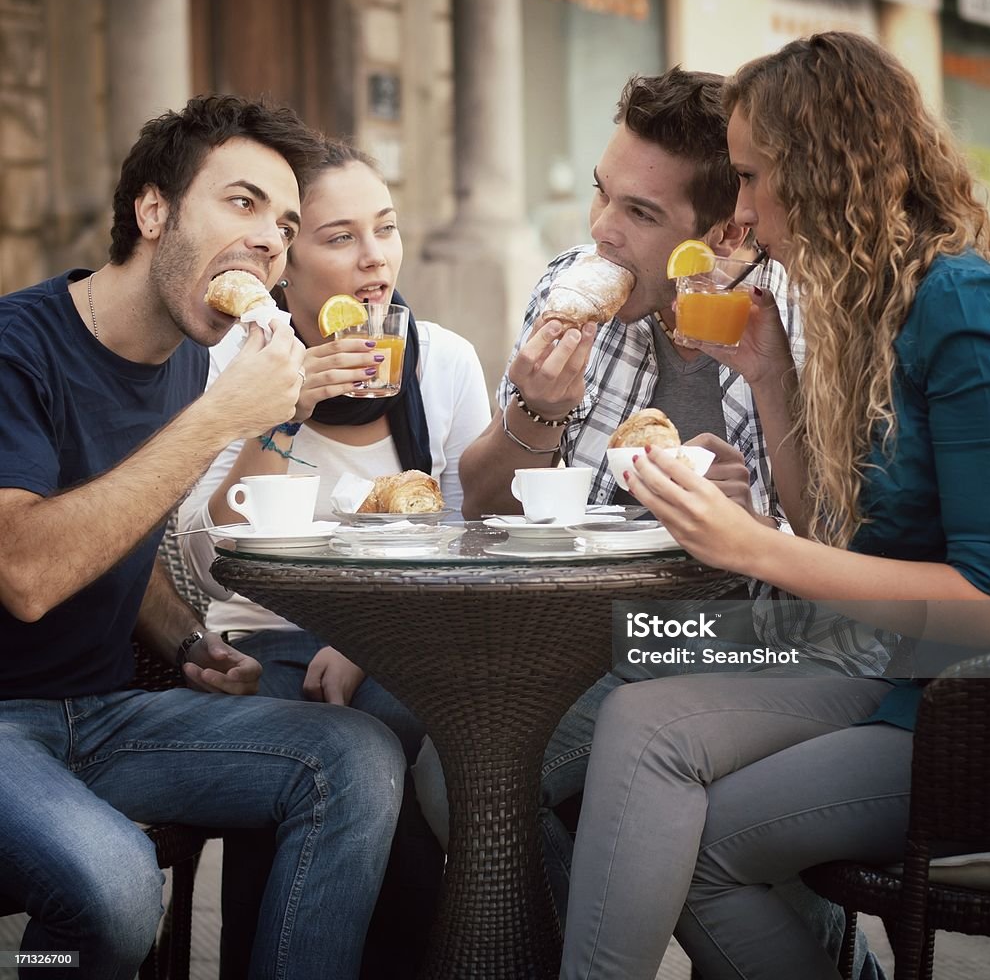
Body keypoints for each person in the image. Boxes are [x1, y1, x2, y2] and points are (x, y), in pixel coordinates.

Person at [558, 32, 990, 980]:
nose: (741, 210)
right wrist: (772, 383)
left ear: (823, 174)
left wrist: (754, 548)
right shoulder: (872, 305)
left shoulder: (964, 308)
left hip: (962, 712)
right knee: (624, 674)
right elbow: (844, 540)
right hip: (866, 656)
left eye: (751, 177)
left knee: (653, 756)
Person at [422, 67, 893, 977]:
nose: (601, 228)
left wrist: (750, 518)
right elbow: (472, 507)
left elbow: (849, 553)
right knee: (459, 782)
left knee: (653, 791)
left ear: (722, 232)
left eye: (638, 214)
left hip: (766, 643)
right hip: (591, 642)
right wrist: (533, 413)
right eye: (603, 193)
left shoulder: (800, 321)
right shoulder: (570, 289)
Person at [0, 96, 406, 980]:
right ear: (153, 212)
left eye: (286, 222)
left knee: (355, 757)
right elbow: (27, 570)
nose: (270, 239)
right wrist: (219, 416)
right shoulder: (16, 348)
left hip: (106, 714)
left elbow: (118, 531)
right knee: (114, 889)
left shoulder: (189, 358)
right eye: (242, 202)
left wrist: (185, 638)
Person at [178, 137, 491, 977]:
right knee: (313, 731)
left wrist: (363, 636)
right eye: (339, 236)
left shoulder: (443, 364)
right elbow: (206, 565)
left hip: (400, 636)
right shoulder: (225, 365)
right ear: (283, 264)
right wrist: (283, 409)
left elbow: (468, 542)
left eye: (384, 230)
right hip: (261, 641)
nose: (374, 259)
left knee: (402, 716)